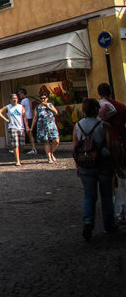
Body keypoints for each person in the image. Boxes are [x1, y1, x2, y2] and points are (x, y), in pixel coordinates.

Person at [73, 98, 117, 240]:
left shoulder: (77, 126)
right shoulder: (104, 125)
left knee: (89, 195)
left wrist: (77, 166)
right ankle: (109, 226)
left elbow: (75, 148)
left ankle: (88, 221)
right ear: (97, 109)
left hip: (86, 164)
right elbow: (110, 146)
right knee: (106, 196)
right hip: (103, 164)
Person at [97, 82, 126, 224]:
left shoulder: (99, 107)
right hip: (120, 143)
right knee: (122, 176)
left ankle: (115, 208)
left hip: (106, 145)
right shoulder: (121, 107)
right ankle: (121, 209)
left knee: (110, 177)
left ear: (99, 93)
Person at [0, 94, 25, 166]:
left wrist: (27, 126)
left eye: (16, 98)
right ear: (10, 100)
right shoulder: (8, 107)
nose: (14, 99)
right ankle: (17, 160)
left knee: (22, 145)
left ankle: (18, 155)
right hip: (12, 127)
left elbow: (24, 116)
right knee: (15, 145)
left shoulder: (21, 106)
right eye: (13, 98)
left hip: (21, 127)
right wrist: (5, 119)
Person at [35, 91, 60, 163]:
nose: (43, 100)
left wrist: (48, 107)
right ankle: (49, 157)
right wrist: (30, 127)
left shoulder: (50, 105)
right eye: (41, 98)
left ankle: (51, 153)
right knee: (46, 142)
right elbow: (35, 117)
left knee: (56, 141)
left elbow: (56, 112)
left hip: (51, 125)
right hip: (42, 126)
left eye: (44, 98)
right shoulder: (38, 107)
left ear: (47, 98)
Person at [18, 88, 38, 155]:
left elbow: (20, 109)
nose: (19, 95)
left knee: (26, 134)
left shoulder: (23, 101)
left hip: (26, 118)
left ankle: (32, 148)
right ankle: (33, 148)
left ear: (23, 94)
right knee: (29, 134)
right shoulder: (28, 100)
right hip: (30, 118)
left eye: (20, 94)